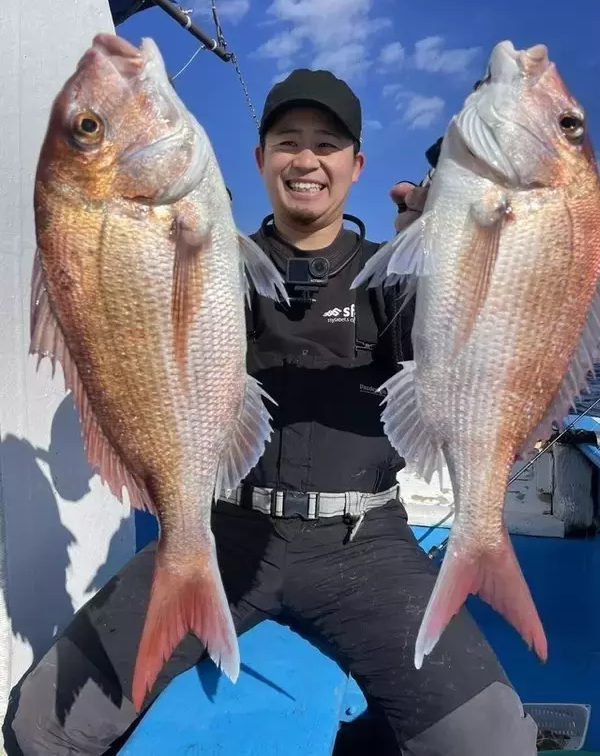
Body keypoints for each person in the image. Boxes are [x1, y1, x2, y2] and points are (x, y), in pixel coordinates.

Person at [8, 68, 538, 756]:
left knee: (491, 743)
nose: (307, 160)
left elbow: (480, 340)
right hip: (220, 529)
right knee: (36, 725)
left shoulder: (397, 275)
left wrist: (448, 237)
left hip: (364, 543)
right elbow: (123, 303)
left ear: (357, 165)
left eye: (328, 144)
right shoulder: (205, 261)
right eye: (288, 142)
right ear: (260, 161)